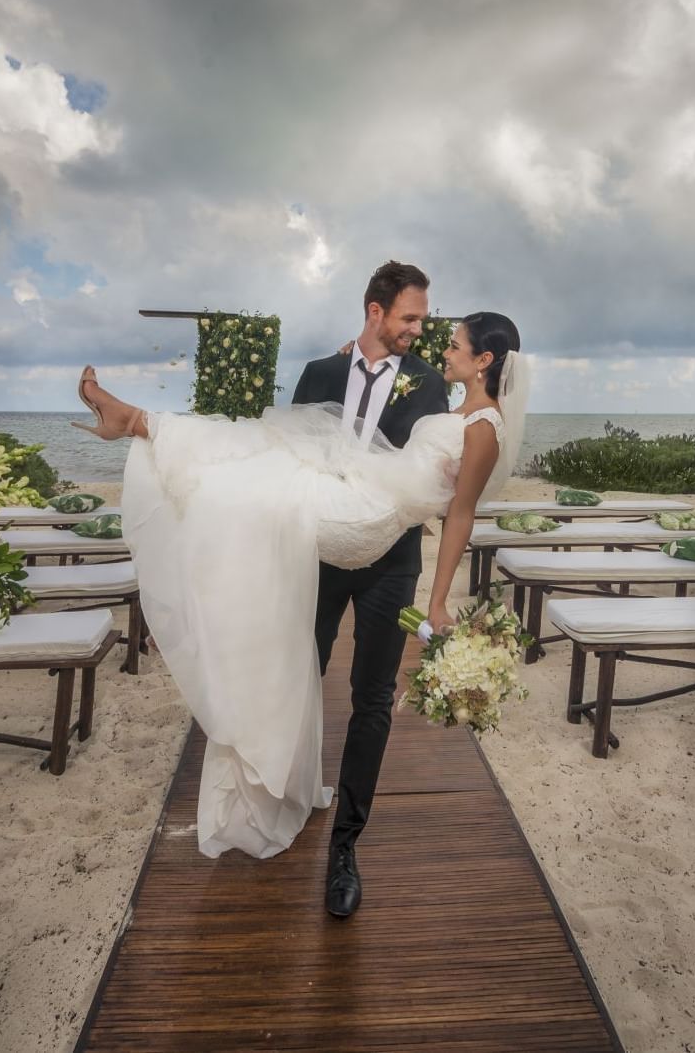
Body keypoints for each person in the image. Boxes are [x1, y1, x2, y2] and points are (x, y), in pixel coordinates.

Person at [73, 284, 526, 912]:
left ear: (481, 360)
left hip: (384, 551)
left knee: (370, 696)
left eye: (438, 331)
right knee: (263, 466)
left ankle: (346, 848)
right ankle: (282, 787)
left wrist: (438, 597)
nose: (424, 333)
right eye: (411, 318)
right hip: (322, 548)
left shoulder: (432, 386)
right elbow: (292, 434)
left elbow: (460, 508)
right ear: (375, 311)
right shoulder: (323, 371)